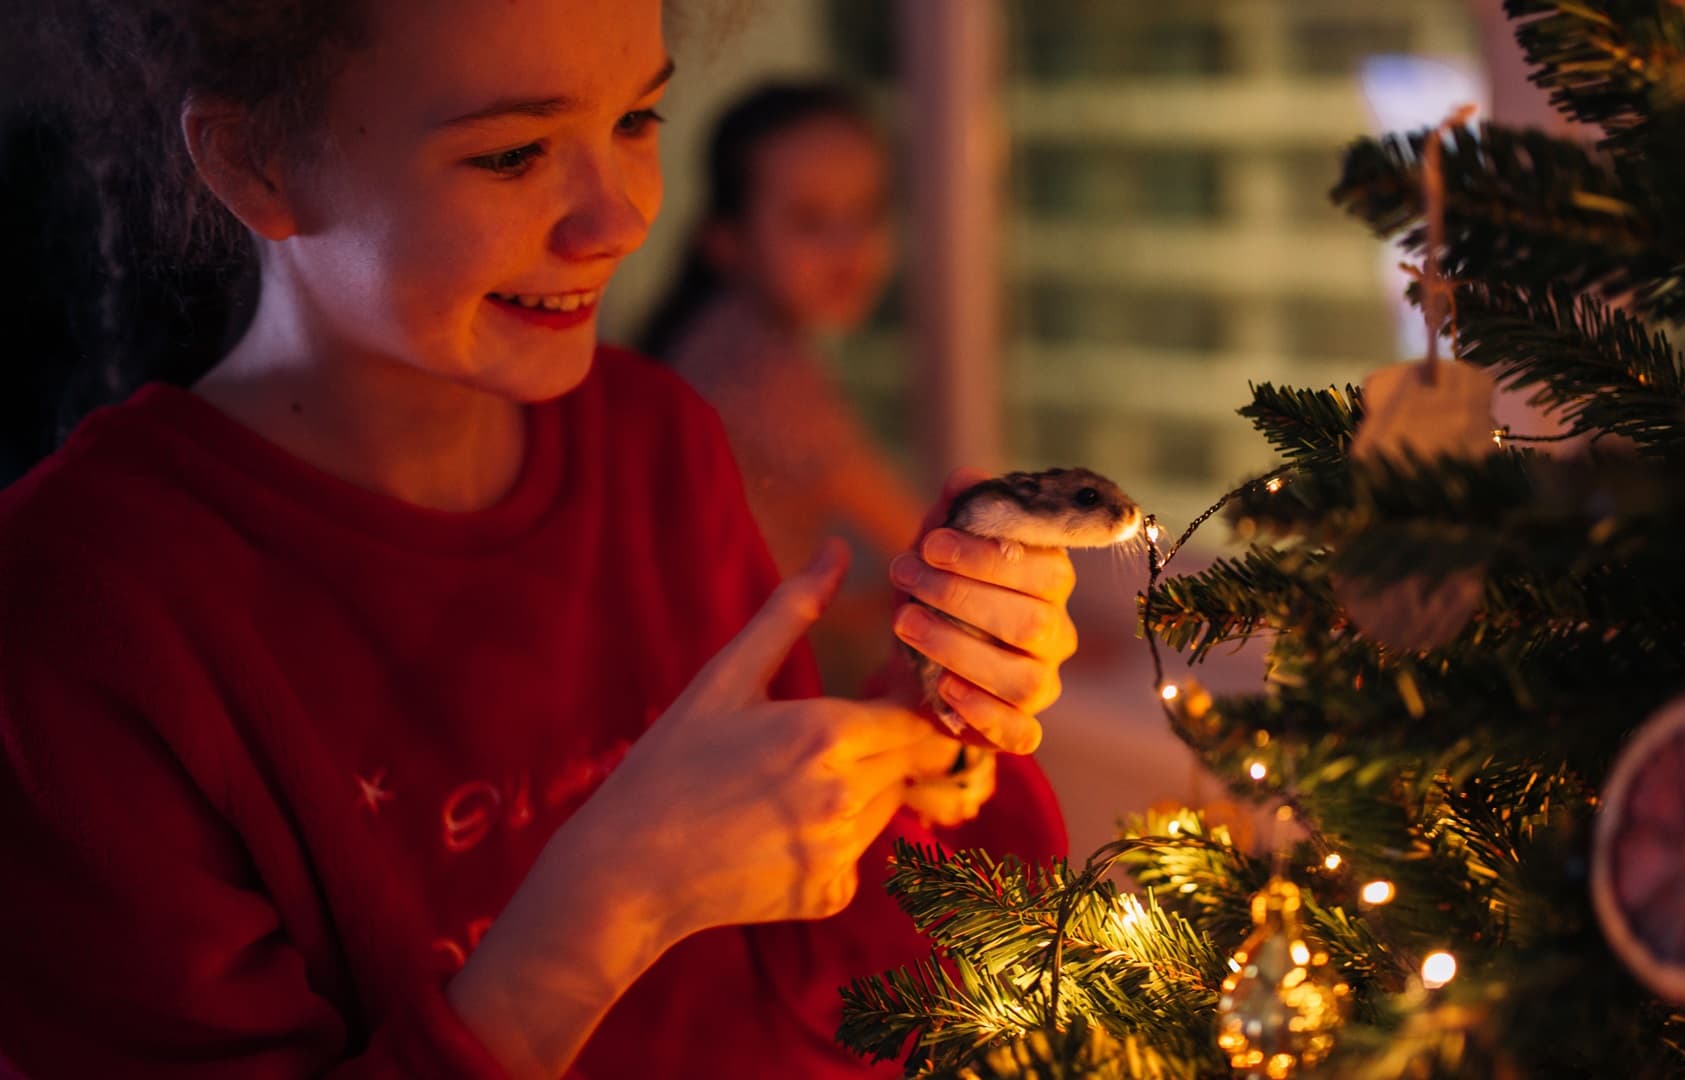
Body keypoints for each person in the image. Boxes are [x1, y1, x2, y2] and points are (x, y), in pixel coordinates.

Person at [0, 2, 1076, 1077]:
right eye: (512, 154)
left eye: (638, 122)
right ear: (256, 164)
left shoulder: (653, 443)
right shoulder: (84, 618)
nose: (619, 220)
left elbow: (840, 975)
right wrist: (609, 908)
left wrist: (930, 721)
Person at [638, 82, 924, 695]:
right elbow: (921, 537)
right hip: (722, 689)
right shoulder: (757, 365)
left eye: (868, 212)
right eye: (811, 221)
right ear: (726, 240)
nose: (850, 248)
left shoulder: (720, 333)